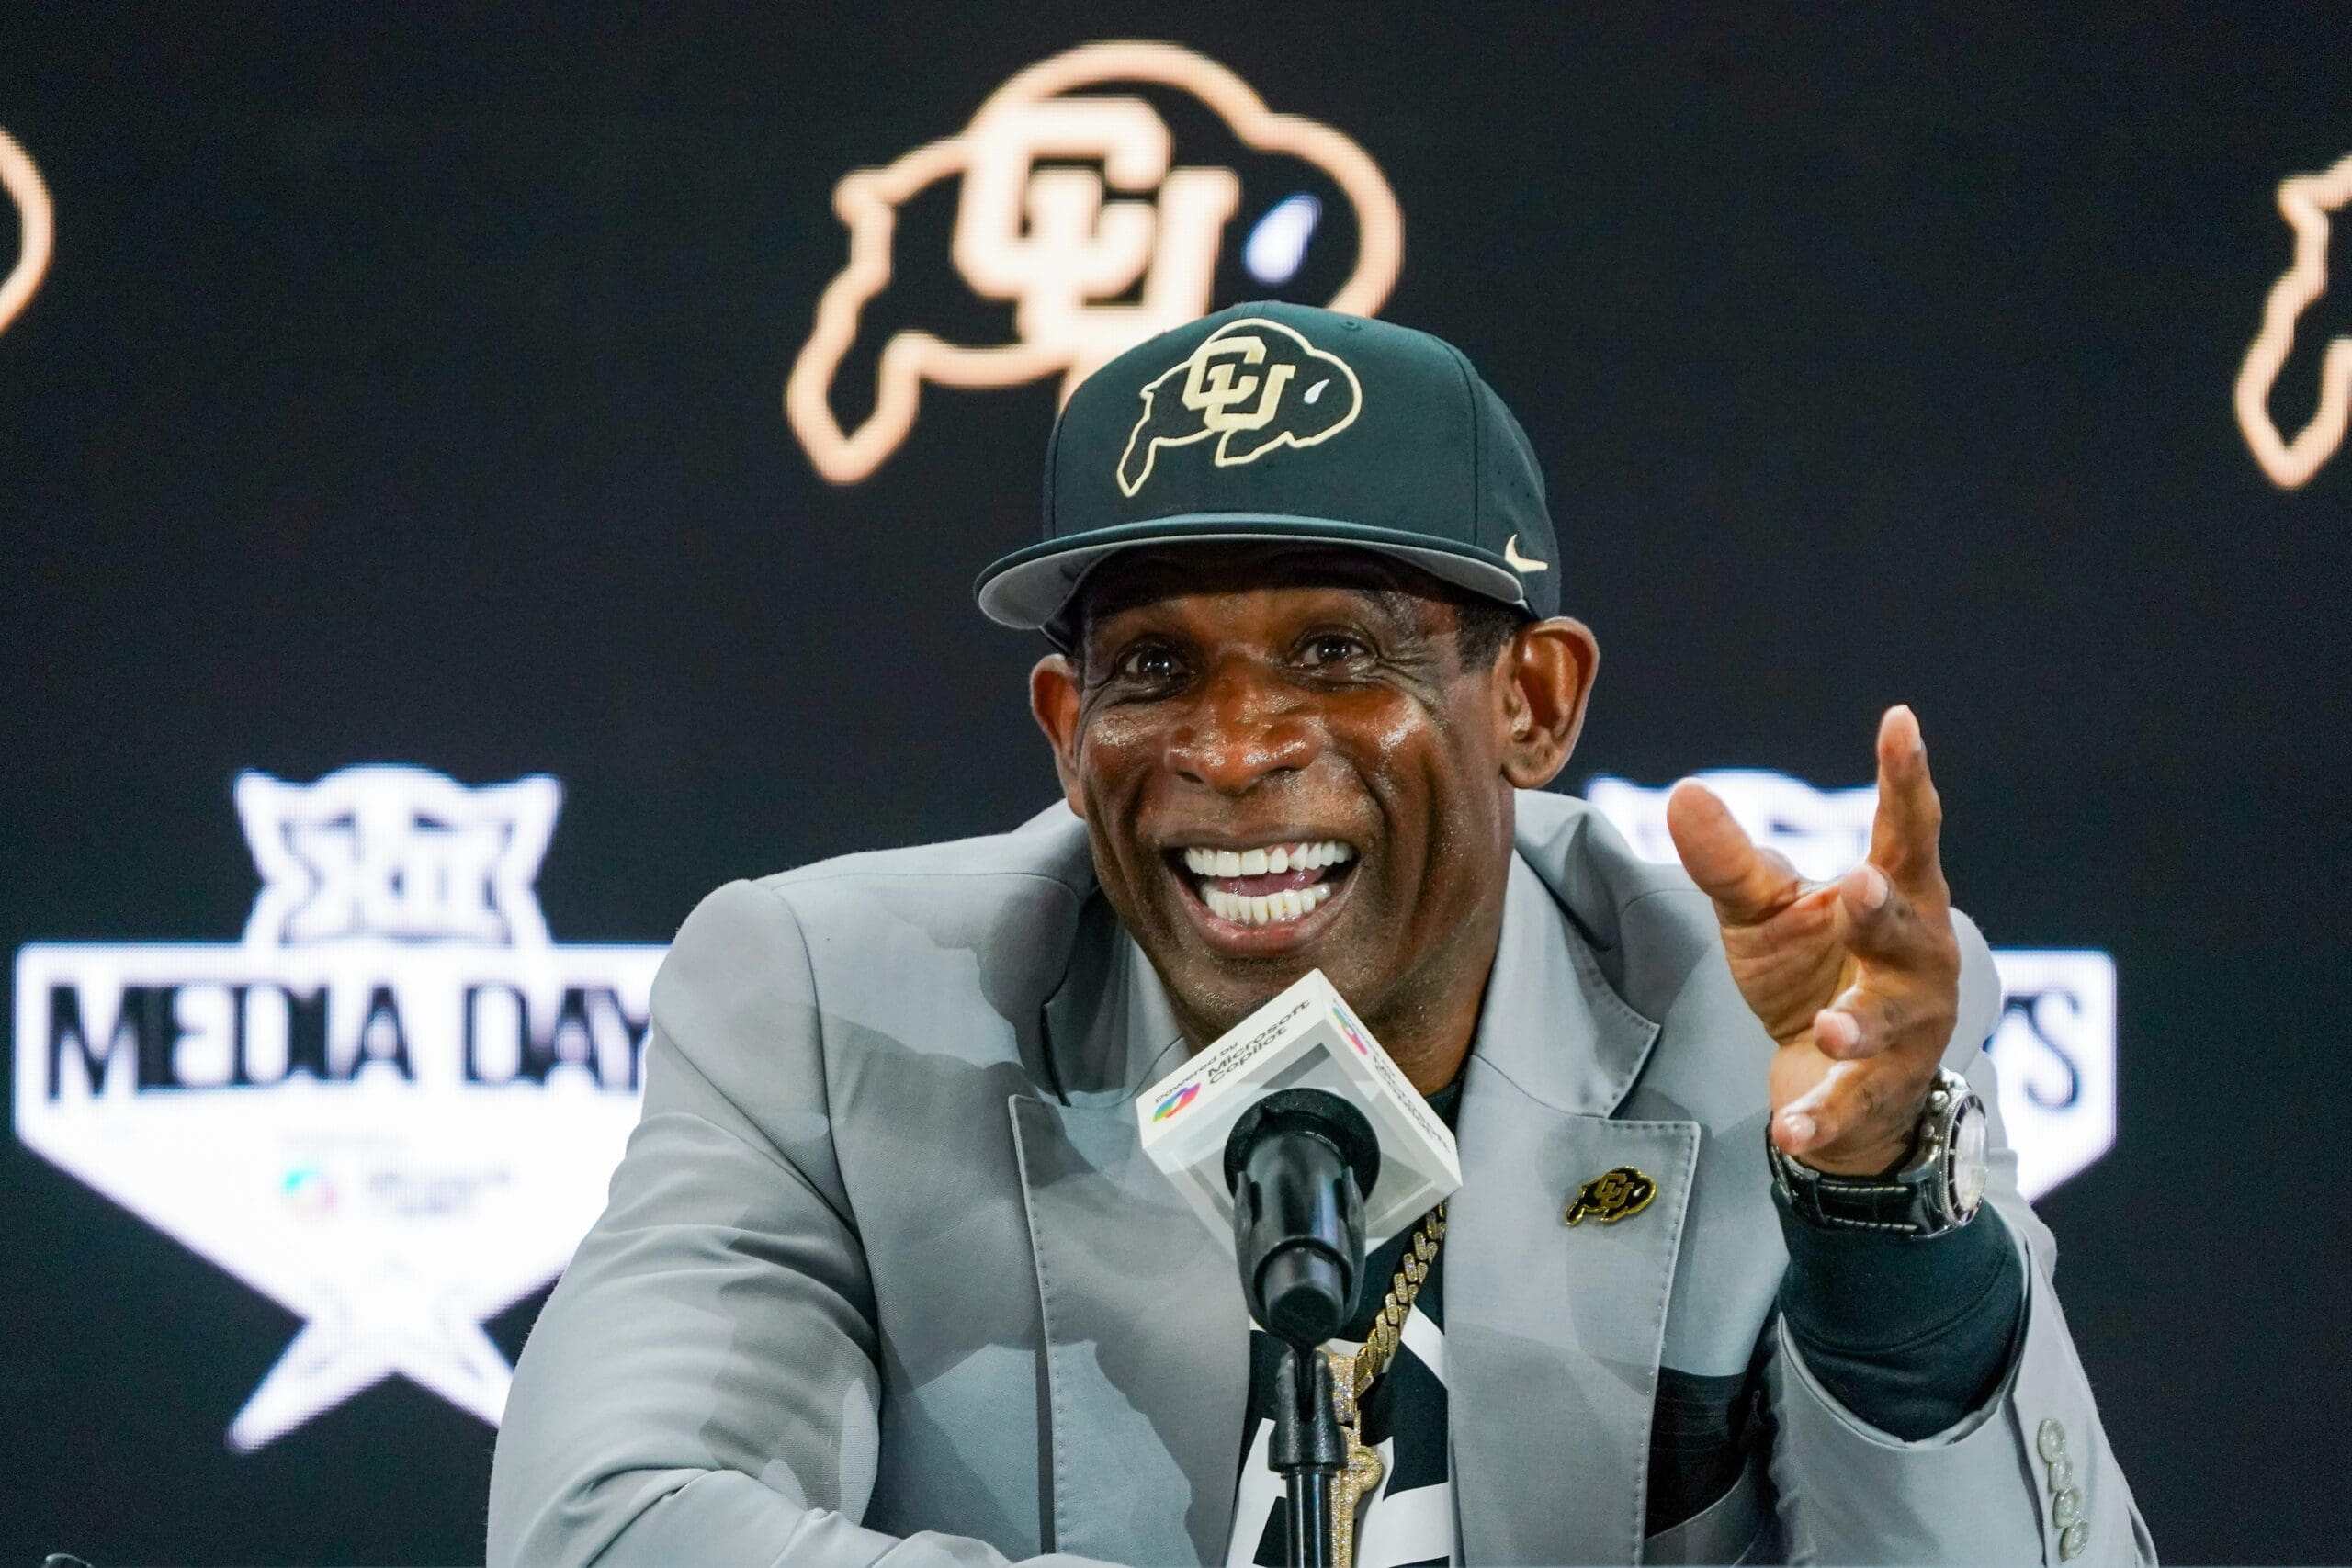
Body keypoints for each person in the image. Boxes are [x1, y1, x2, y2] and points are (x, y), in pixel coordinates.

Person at [487, 303, 2151, 1567]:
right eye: (1153, 671)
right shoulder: (828, 1004)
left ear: (1535, 703)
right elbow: (611, 1527)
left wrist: (1883, 1235)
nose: (1231, 750)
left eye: (1340, 652)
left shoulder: (1770, 1025)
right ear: (1067, 727)